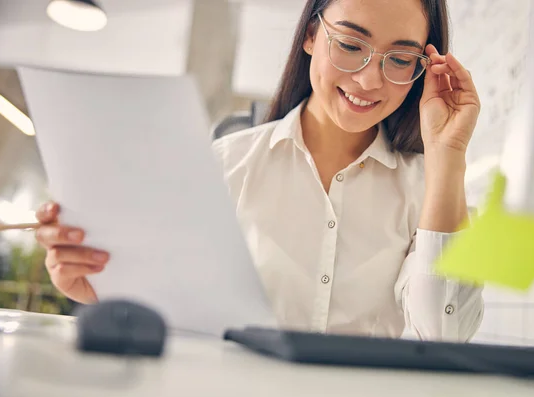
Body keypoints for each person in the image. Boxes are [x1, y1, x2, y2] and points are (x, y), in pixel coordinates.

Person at [34, 0, 484, 341]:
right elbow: (173, 308)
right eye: (350, 45)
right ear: (311, 35)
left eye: (401, 59)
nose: (370, 79)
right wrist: (94, 286)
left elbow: (445, 335)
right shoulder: (224, 166)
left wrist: (447, 155)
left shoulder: (432, 193)